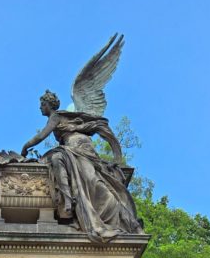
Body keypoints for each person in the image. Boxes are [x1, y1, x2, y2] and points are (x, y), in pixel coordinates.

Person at [20, 90, 142, 242]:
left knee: (75, 169)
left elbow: (40, 136)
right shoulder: (66, 117)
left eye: (42, 105)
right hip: (82, 148)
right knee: (93, 181)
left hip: (77, 149)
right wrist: (116, 154)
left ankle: (68, 201)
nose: (40, 108)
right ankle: (73, 202)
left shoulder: (56, 116)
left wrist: (25, 148)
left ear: (48, 105)